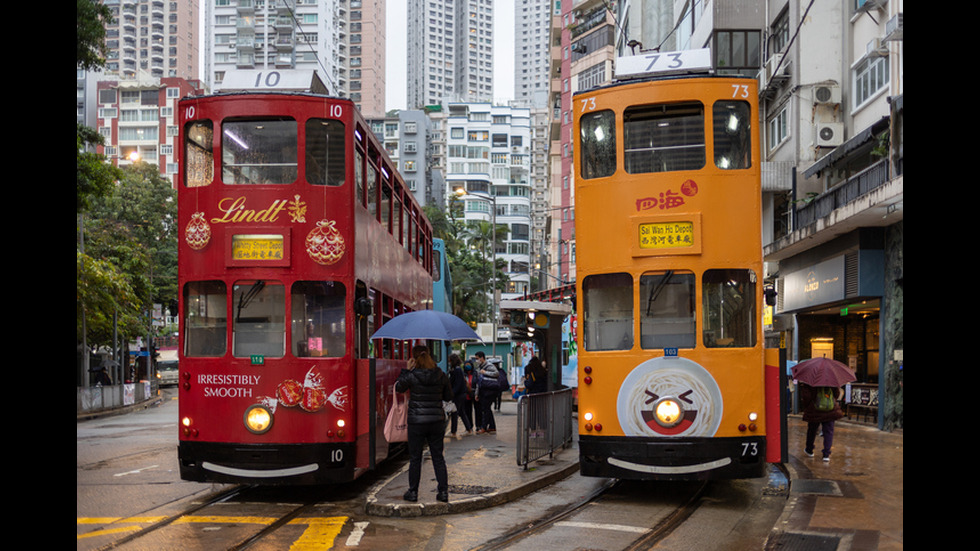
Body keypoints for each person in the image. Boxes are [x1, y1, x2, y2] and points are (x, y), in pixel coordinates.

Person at [395, 345, 453, 503]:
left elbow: (399, 387)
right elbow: (448, 396)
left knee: (415, 458)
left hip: (417, 422)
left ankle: (413, 492)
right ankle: (443, 493)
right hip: (436, 421)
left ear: (414, 358)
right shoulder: (440, 374)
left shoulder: (412, 375)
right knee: (438, 457)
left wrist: (406, 370)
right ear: (430, 355)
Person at [799, 382, 844, 462]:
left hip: (814, 410)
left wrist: (808, 406)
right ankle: (826, 455)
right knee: (828, 432)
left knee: (812, 430)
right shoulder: (831, 379)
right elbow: (836, 393)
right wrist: (830, 401)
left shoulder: (810, 379)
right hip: (830, 410)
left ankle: (809, 450)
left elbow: (806, 396)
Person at [447, 354, 472, 438]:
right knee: (461, 412)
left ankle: (453, 432)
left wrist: (452, 393)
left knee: (455, 413)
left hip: (458, 395)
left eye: (449, 360)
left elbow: (457, 384)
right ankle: (468, 429)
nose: (449, 362)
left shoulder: (457, 370)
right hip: (461, 394)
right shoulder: (457, 370)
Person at [475, 358, 500, 434]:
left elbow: (496, 373)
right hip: (484, 391)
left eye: (477, 358)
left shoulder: (489, 366)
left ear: (482, 358)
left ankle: (484, 427)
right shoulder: (479, 367)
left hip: (490, 391)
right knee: (487, 409)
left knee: (486, 409)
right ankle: (492, 427)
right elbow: (478, 383)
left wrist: (485, 372)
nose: (476, 360)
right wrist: (477, 393)